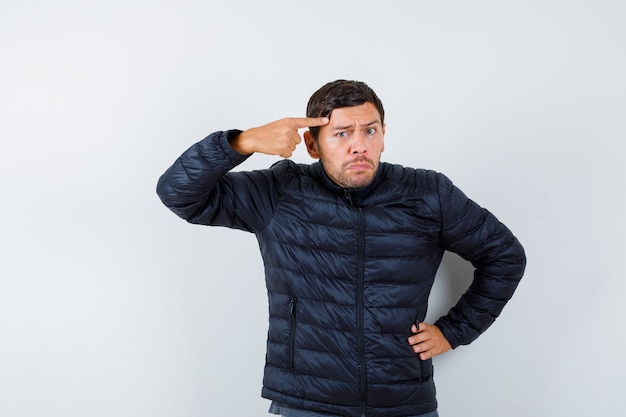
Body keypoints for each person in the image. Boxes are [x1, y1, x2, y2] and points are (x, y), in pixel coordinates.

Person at [156, 80, 526, 417]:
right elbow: (178, 193)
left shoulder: (427, 193)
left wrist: (454, 331)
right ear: (312, 144)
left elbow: (505, 256)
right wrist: (242, 142)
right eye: (342, 133)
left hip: (402, 402)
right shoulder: (279, 192)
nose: (359, 145)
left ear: (383, 135)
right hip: (307, 403)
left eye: (370, 130)